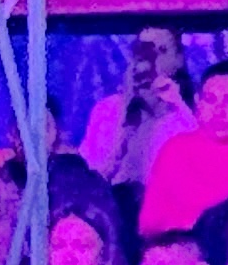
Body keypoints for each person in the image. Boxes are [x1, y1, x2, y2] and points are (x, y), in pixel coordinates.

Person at [137, 58, 228, 241]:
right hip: (181, 249)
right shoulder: (176, 149)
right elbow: (150, 224)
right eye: (210, 100)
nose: (218, 111)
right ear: (198, 103)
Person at [81, 25, 192, 201]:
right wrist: (124, 119)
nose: (149, 63)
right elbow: (86, 183)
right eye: (142, 52)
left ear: (178, 60)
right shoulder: (107, 112)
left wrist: (178, 107)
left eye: (161, 51)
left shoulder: (186, 118)